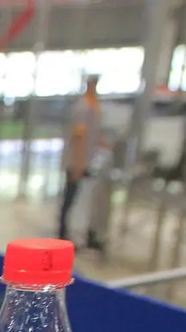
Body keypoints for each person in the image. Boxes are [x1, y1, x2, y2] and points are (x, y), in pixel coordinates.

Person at [59, 75, 108, 248]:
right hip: (77, 162)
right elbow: (79, 137)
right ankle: (64, 234)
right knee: (71, 199)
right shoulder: (84, 107)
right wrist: (78, 165)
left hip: (87, 160)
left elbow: (94, 133)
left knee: (82, 199)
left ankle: (82, 235)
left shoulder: (94, 106)